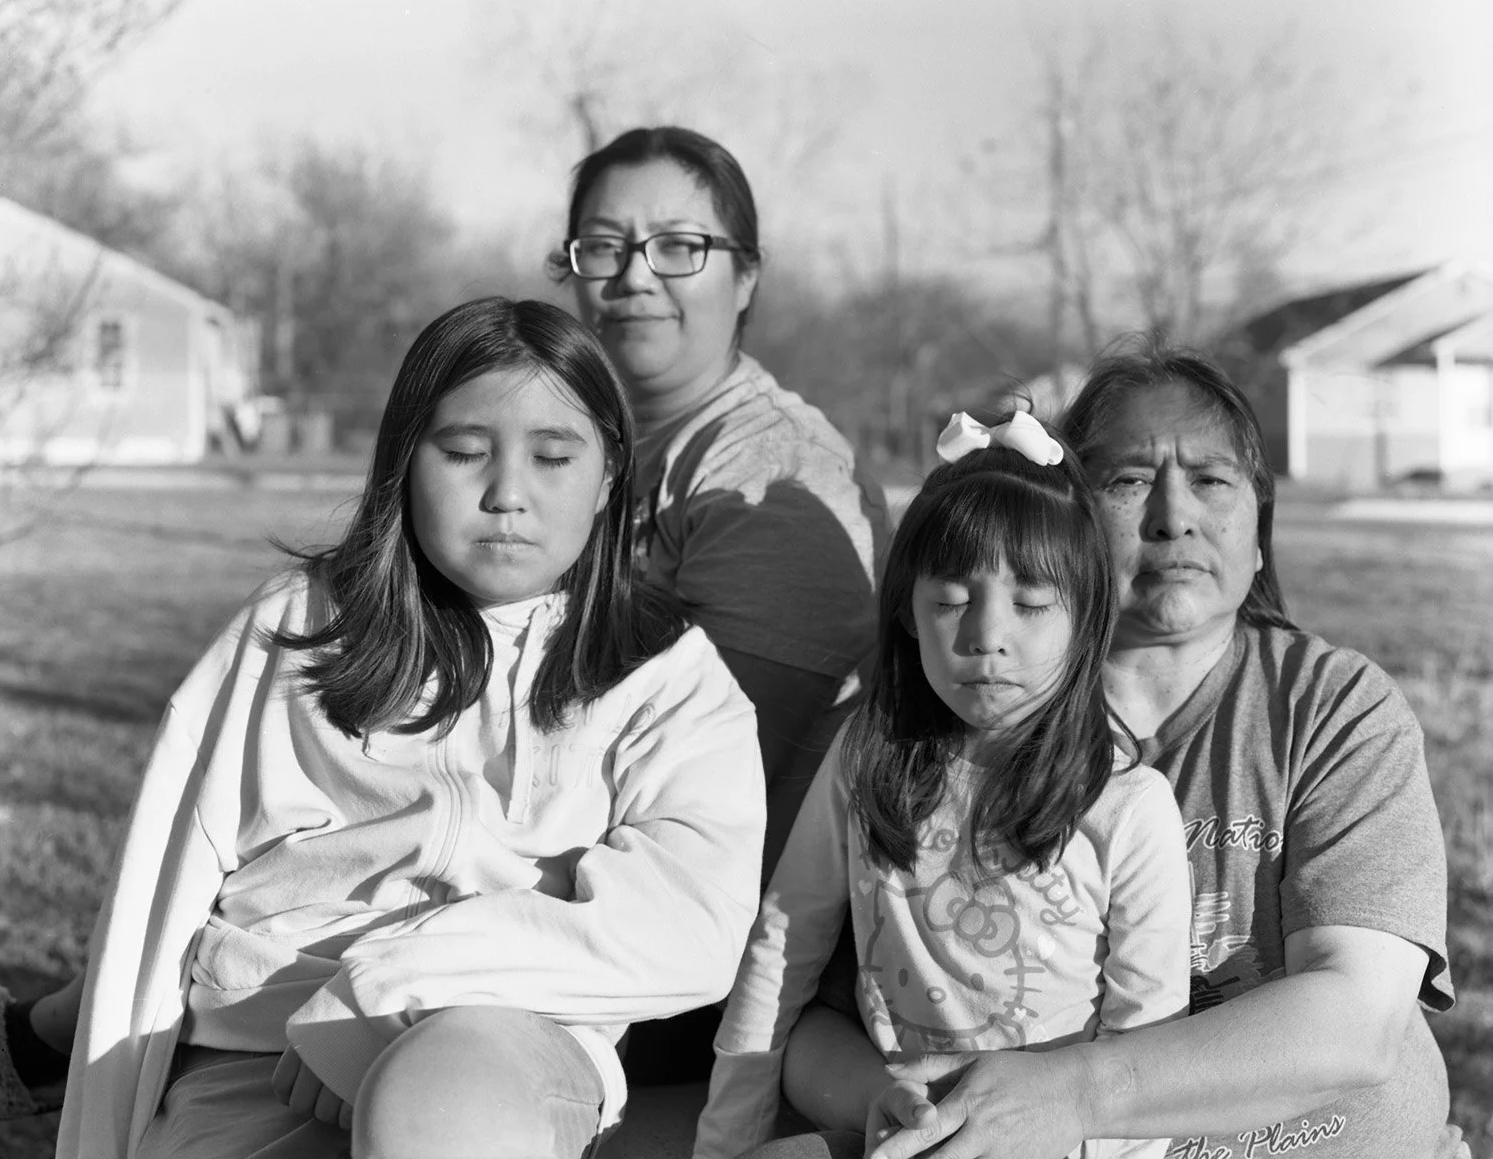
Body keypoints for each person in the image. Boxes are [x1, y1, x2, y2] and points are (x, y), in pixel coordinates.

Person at [43, 296, 767, 1159]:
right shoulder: (299, 628)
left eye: (553, 456)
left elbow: (689, 924)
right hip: (256, 1058)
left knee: (440, 1100)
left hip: (504, 1049)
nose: (507, 494)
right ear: (404, 462)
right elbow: (162, 888)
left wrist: (389, 988)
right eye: (463, 452)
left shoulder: (664, 675)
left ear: (609, 474)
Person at [776, 340, 1461, 1159]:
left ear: (1259, 530)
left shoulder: (1335, 708)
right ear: (1061, 517)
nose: (1173, 517)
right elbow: (805, 1013)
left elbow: (1356, 1020)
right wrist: (904, 1106)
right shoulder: (932, 725)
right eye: (1129, 481)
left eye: (1212, 480)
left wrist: (1072, 1096)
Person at [692, 409, 1194, 1159]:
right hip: (889, 1134)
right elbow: (784, 941)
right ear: (906, 614)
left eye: (1031, 604)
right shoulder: (867, 755)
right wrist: (724, 1143)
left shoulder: (1128, 807)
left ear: (1087, 616)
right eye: (952, 601)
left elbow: (1146, 1047)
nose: (987, 635)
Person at [552, 125, 889, 1081]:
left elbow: (722, 780)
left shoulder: (772, 473)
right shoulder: (591, 449)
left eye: (679, 246)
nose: (634, 276)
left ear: (746, 277)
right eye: (604, 246)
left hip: (704, 952)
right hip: (584, 869)